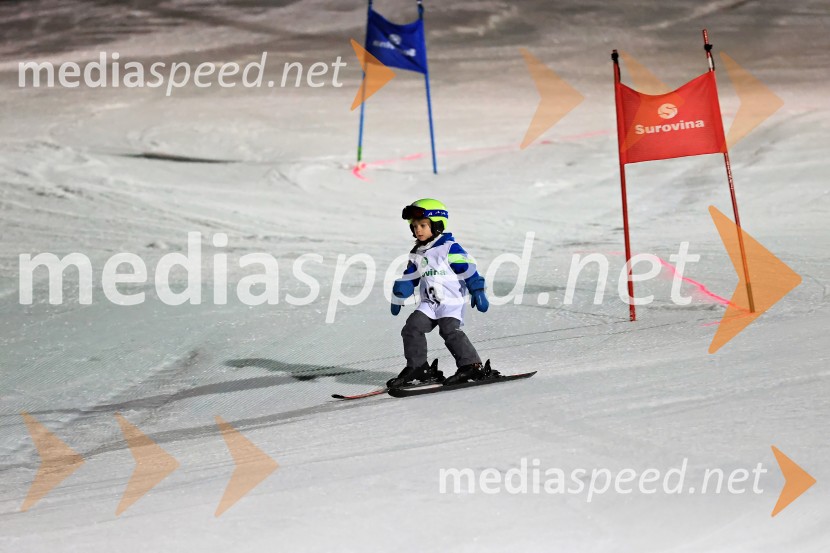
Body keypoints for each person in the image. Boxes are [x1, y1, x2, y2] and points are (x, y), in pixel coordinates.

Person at [387, 198, 499, 388]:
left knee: (449, 330)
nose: (418, 230)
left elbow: (468, 269)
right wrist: (400, 293)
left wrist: (477, 290)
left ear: (438, 225)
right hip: (429, 303)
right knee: (412, 328)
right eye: (414, 227)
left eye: (423, 225)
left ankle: (472, 365)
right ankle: (418, 368)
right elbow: (410, 277)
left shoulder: (449, 248)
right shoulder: (417, 252)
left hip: (450, 302)